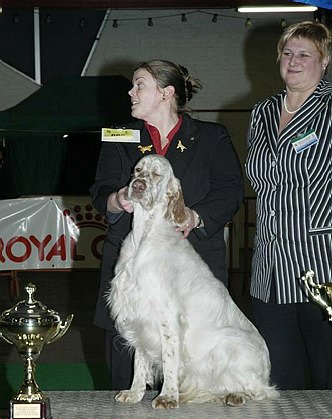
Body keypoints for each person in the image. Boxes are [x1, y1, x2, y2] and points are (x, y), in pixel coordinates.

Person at [90, 59, 244, 390]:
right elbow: (99, 189)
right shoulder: (119, 134)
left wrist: (195, 216)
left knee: (198, 377)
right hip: (132, 269)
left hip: (191, 271)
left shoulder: (211, 136)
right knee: (123, 377)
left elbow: (230, 190)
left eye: (139, 85)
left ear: (166, 93)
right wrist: (116, 199)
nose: (131, 92)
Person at [245, 21, 332, 390]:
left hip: (323, 263)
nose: (293, 61)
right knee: (280, 379)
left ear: (325, 61)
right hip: (270, 268)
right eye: (287, 53)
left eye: (305, 55)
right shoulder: (261, 112)